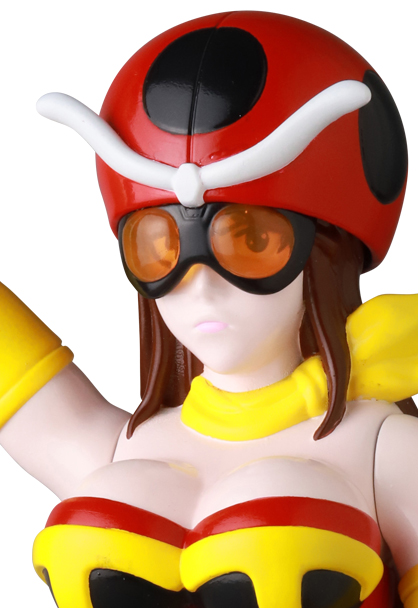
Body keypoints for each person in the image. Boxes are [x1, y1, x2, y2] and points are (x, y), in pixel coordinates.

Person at [1, 11, 418, 608]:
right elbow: (20, 382)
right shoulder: (129, 445)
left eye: (251, 241)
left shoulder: (384, 450)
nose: (201, 286)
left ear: (326, 250)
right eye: (158, 248)